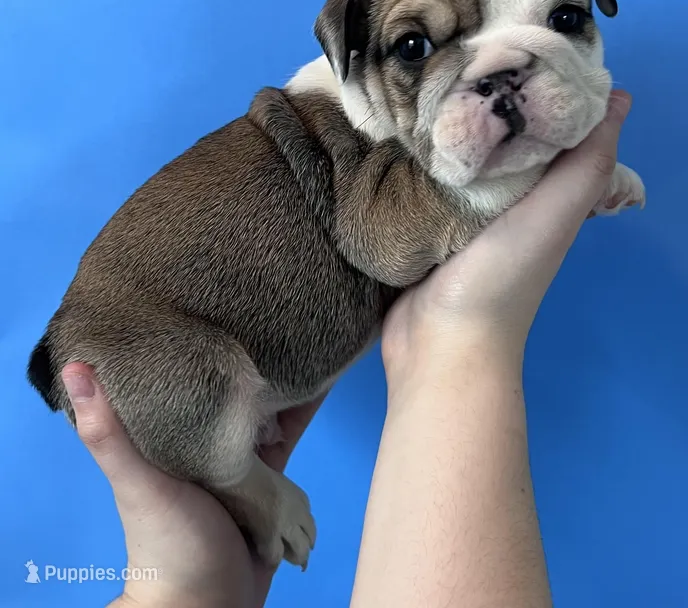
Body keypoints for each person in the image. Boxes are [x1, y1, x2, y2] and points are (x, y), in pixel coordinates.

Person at [60, 91, 632, 608]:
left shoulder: (370, 137)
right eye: (415, 46)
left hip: (240, 362)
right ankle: (239, 479)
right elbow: (396, 245)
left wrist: (186, 594)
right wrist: (537, 172)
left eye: (563, 19)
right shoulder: (346, 128)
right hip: (143, 353)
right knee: (200, 411)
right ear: (353, 48)